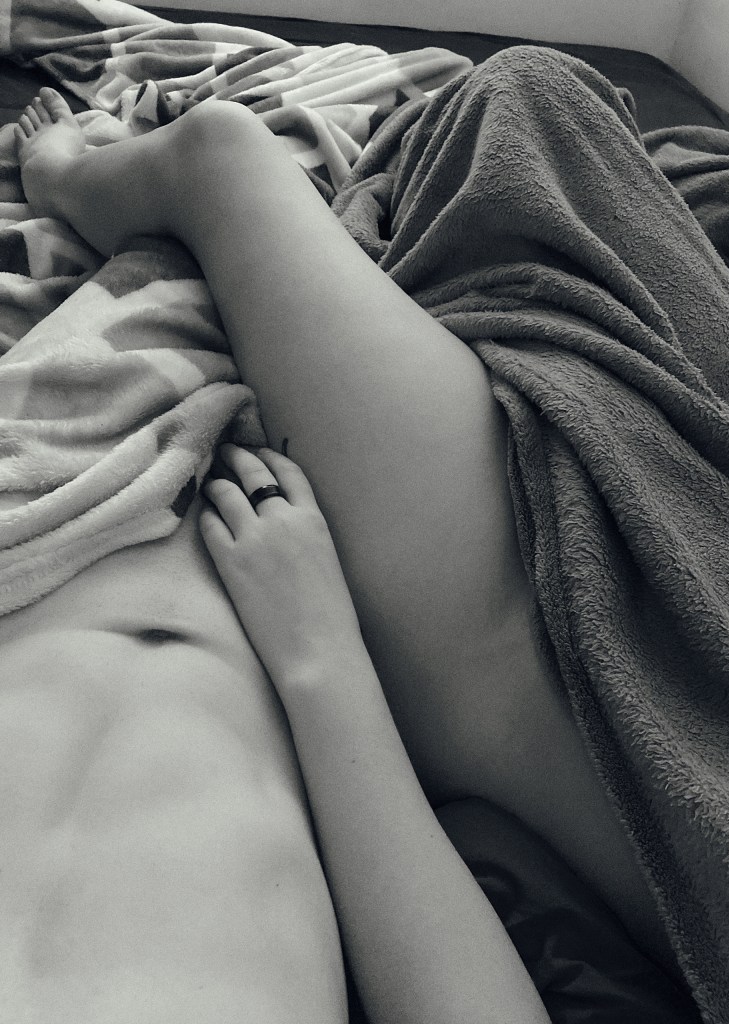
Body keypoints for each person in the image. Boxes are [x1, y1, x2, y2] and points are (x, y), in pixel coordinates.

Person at [3, 79, 676, 1022]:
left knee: (226, 200)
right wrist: (321, 655)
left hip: (39, 521)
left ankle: (102, 182)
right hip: (287, 608)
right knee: (268, 194)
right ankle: (140, 185)